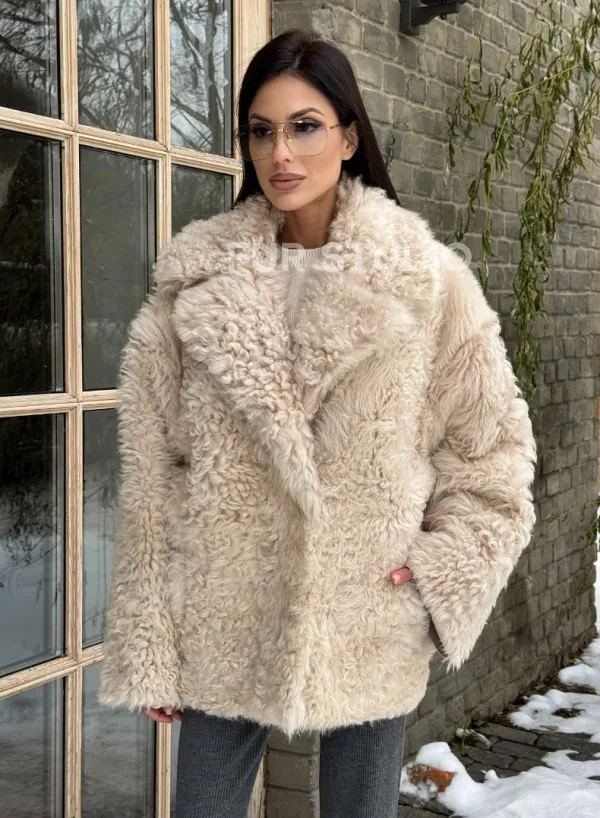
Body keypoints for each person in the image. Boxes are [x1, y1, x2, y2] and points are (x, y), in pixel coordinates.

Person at [98, 27, 537, 818]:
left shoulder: (427, 283)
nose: (281, 154)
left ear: (349, 135)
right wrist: (151, 641)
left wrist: (439, 571)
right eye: (261, 131)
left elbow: (494, 453)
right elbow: (152, 474)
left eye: (304, 126)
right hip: (223, 616)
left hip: (369, 614)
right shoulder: (194, 286)